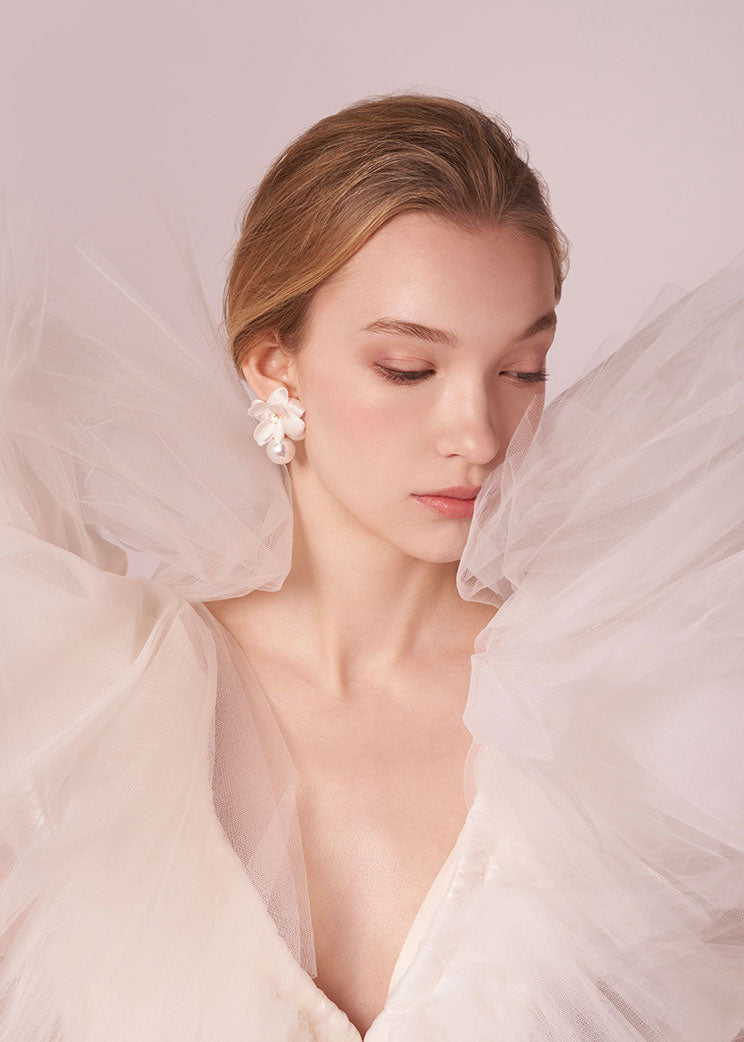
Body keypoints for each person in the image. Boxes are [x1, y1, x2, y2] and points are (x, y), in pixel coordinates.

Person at [0, 92, 742, 1042]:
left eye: (524, 370)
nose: (477, 434)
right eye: (407, 368)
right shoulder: (82, 709)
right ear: (276, 365)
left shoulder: (625, 722)